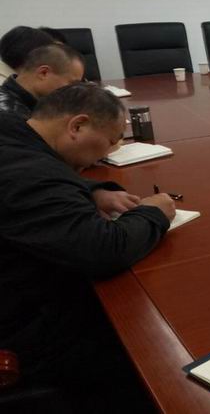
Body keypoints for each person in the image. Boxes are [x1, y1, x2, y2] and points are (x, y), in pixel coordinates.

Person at [0, 82, 175, 411]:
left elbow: (44, 174)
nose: (105, 155)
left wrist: (92, 191)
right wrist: (154, 214)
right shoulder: (31, 176)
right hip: (20, 329)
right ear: (77, 126)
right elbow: (104, 250)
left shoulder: (12, 128)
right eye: (108, 143)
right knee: (146, 340)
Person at [0, 43, 85, 118]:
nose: (72, 90)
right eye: (72, 84)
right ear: (43, 73)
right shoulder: (12, 117)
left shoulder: (34, 107)